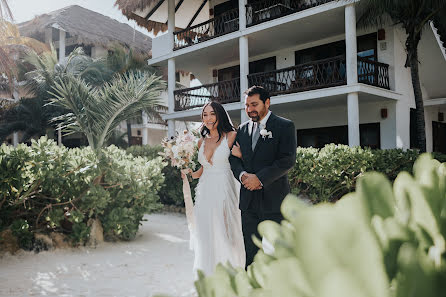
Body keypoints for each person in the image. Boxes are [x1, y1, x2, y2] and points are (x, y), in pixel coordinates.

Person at [229, 86, 297, 268]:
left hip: (274, 201)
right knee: (251, 254)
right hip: (248, 203)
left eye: (254, 104)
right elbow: (234, 159)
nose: (250, 109)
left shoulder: (284, 126)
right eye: (247, 105)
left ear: (267, 102)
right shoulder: (241, 130)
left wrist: (258, 179)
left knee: (279, 253)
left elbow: (287, 160)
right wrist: (243, 177)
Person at [182, 101, 245, 276]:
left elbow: (247, 161)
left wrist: (241, 154)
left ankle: (232, 273)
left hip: (225, 188)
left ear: (219, 115)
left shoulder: (232, 135)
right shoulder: (200, 141)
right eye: (205, 115)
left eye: (212, 114)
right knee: (206, 233)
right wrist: (189, 173)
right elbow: (203, 170)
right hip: (205, 191)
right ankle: (210, 276)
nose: (208, 118)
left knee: (226, 232)